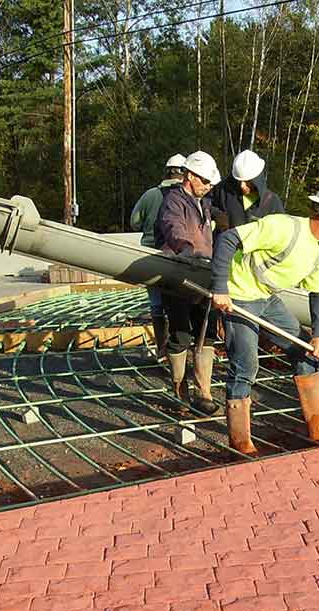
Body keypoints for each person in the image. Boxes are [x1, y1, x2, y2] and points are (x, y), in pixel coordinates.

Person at [210, 181, 319, 456]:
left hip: (266, 297)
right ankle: (240, 444)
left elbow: (318, 294)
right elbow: (228, 239)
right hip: (239, 294)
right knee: (246, 365)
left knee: (306, 352)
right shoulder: (283, 227)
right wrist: (220, 288)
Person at [156, 151, 222, 415]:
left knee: (206, 332)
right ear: (191, 176)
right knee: (180, 334)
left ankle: (204, 392)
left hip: (204, 274)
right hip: (180, 275)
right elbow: (172, 227)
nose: (208, 186)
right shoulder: (173, 201)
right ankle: (180, 392)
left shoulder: (202, 203)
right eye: (205, 181)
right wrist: (185, 248)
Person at [131, 153, 186, 359]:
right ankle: (179, 350)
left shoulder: (150, 195)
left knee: (157, 306)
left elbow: (135, 222)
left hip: (150, 256)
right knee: (180, 304)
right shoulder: (186, 197)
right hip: (178, 257)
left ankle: (162, 350)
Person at [210, 149, 284, 235]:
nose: (242, 185)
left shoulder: (272, 202)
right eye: (239, 181)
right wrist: (216, 213)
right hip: (225, 242)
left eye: (248, 181)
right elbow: (204, 203)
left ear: (257, 179)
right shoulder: (222, 191)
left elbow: (281, 233)